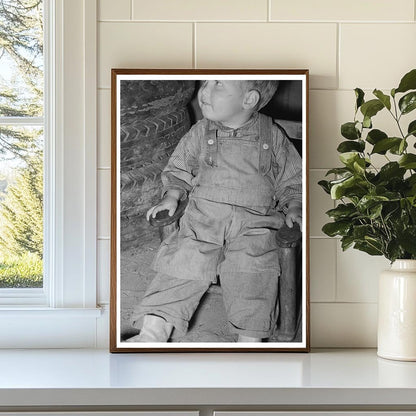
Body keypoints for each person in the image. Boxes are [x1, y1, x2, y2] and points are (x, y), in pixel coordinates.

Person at [127, 79, 302, 343]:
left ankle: (250, 339)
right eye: (206, 82)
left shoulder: (272, 135)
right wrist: (172, 196)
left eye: (218, 85)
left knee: (252, 272)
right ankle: (153, 332)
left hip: (254, 223)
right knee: (182, 262)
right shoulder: (200, 132)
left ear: (249, 100)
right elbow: (179, 169)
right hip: (204, 218)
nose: (204, 91)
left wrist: (295, 205)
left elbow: (292, 179)